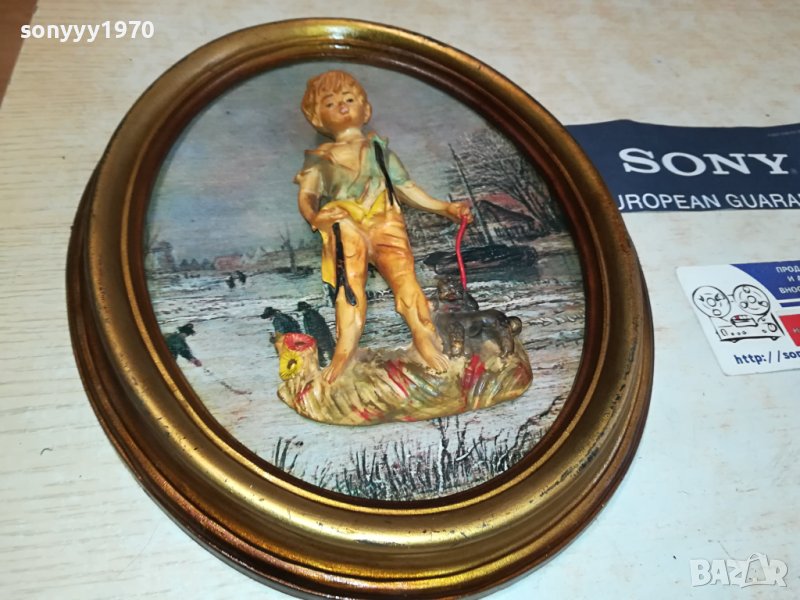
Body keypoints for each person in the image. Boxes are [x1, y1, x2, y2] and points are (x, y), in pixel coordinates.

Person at [295, 70, 472, 383]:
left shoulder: (378, 149)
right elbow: (307, 196)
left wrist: (444, 207)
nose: (342, 106)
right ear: (316, 117)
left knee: (405, 279)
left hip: (385, 218)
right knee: (349, 287)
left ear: (366, 109)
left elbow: (405, 186)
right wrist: (315, 217)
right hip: (344, 222)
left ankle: (424, 337)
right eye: (330, 103)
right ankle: (344, 350)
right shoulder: (320, 157)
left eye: (349, 99)